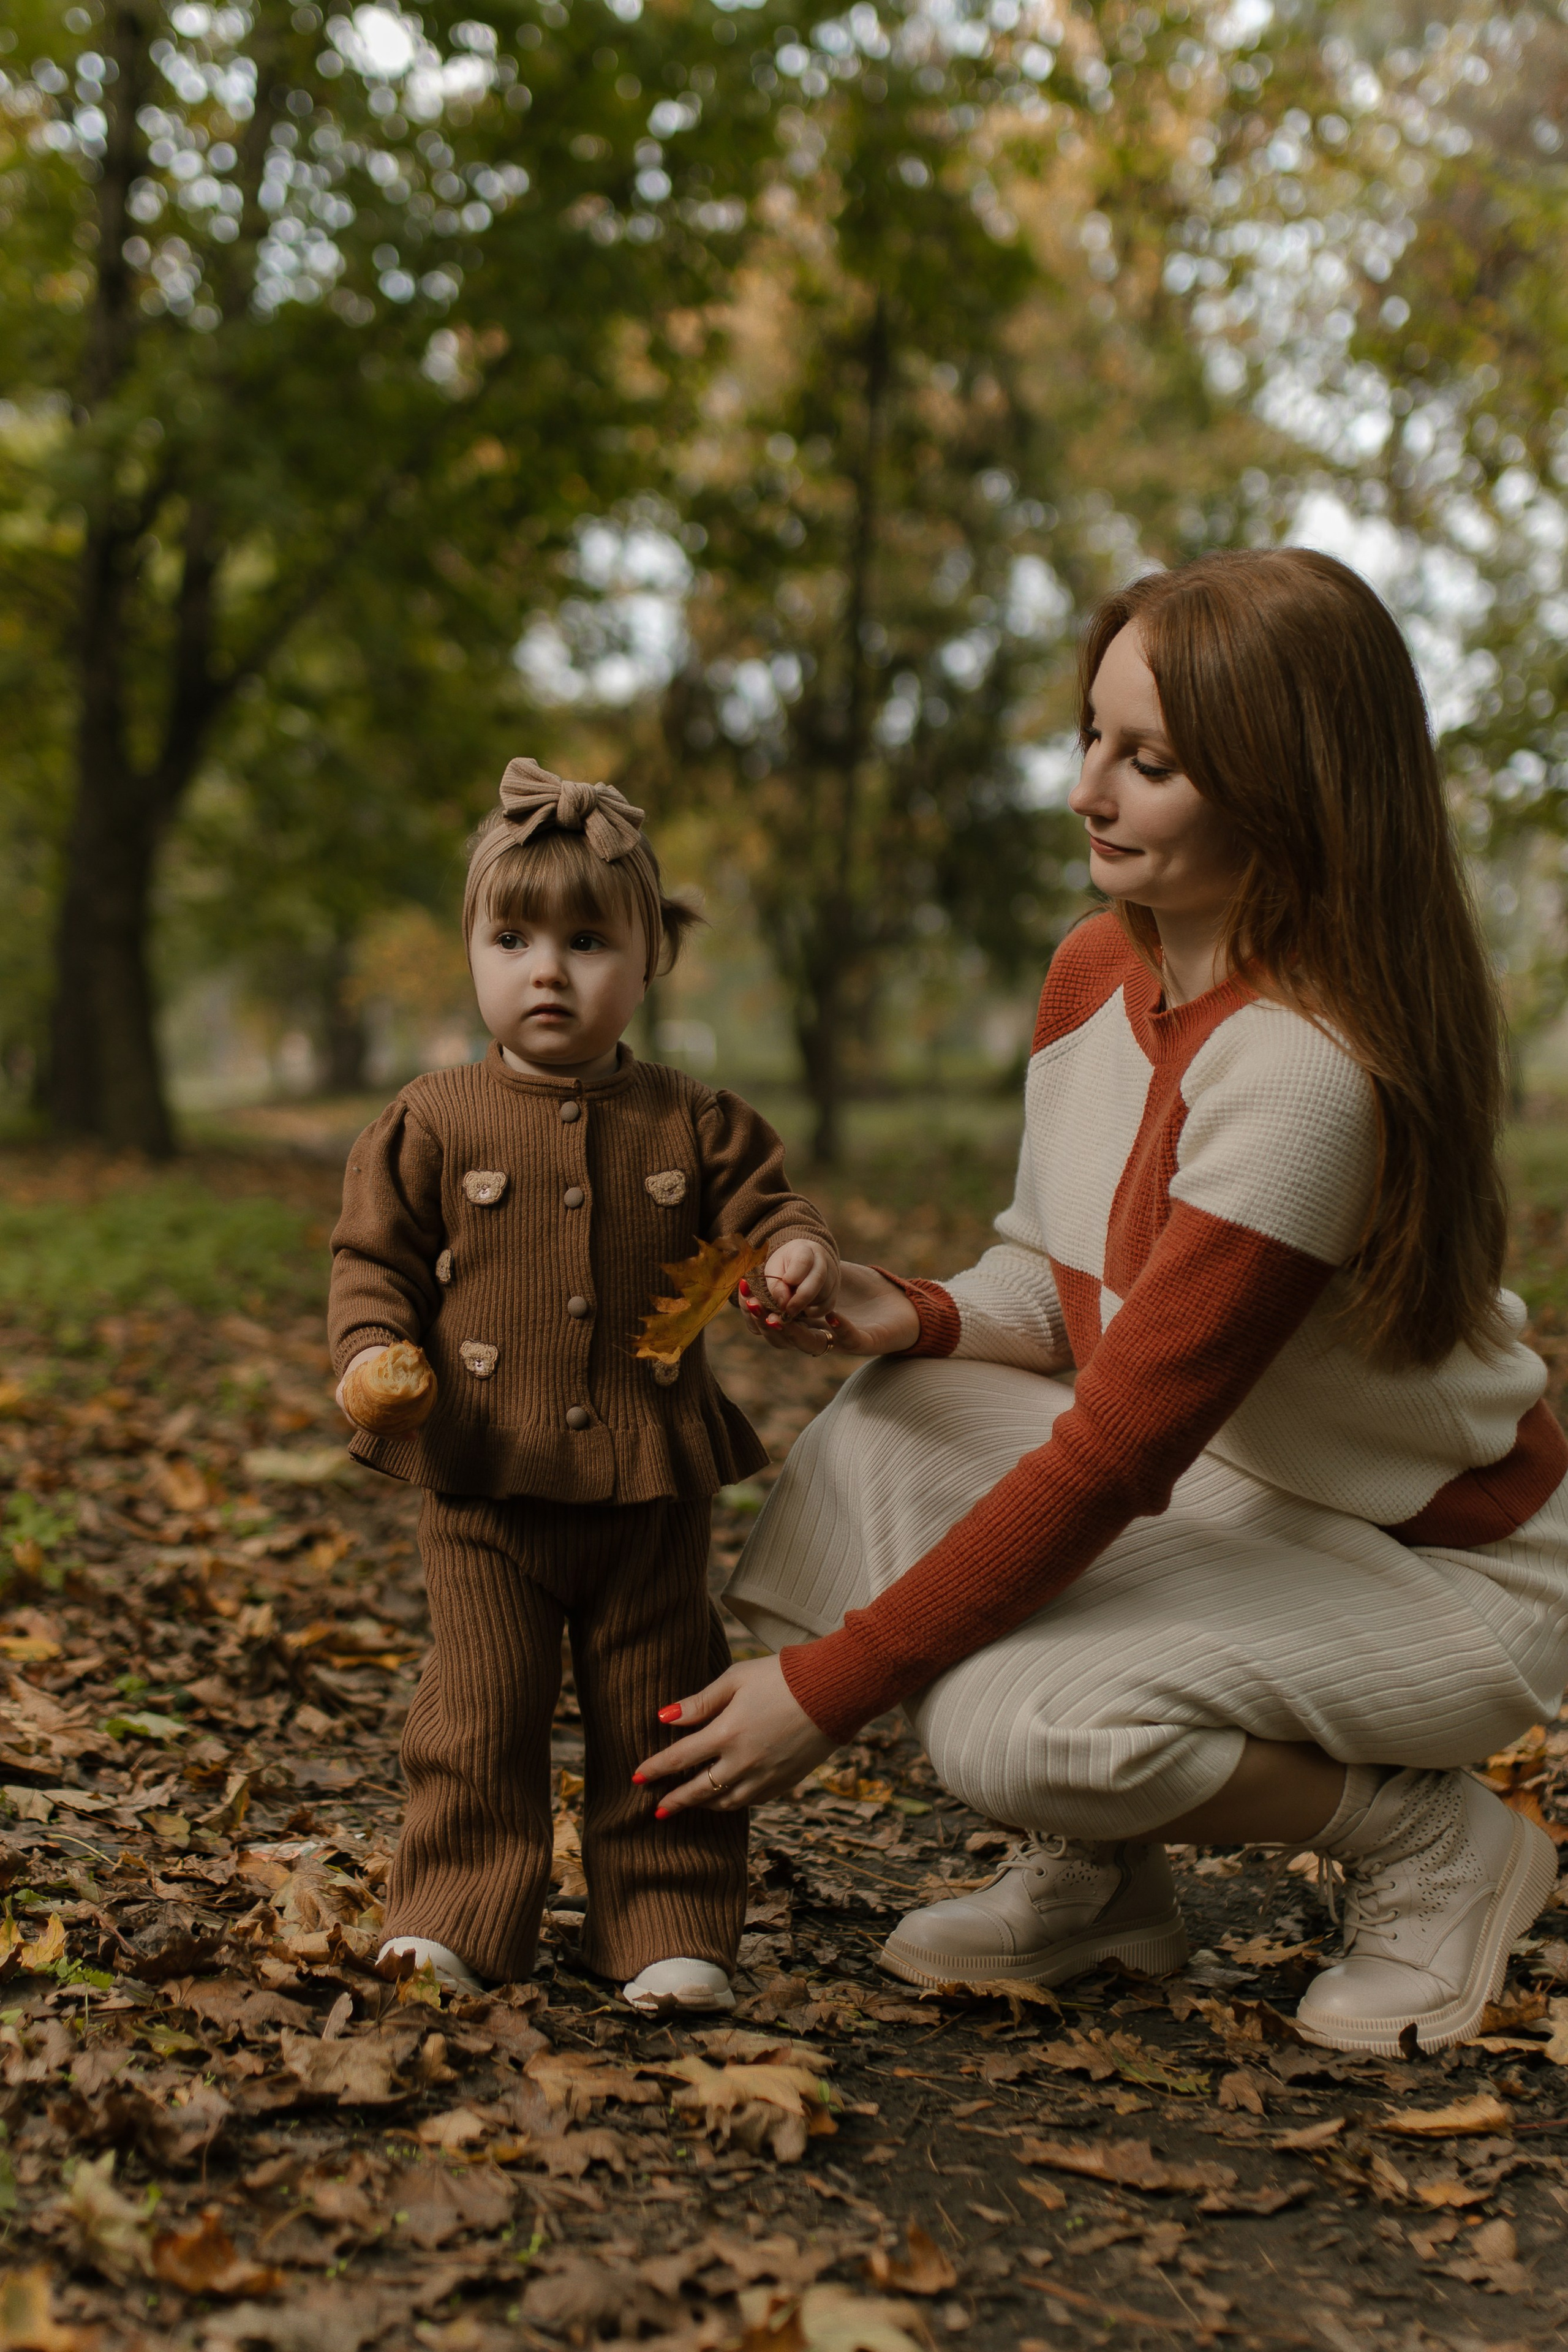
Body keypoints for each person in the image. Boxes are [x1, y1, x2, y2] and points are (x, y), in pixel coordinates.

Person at [634, 549, 1568, 2057]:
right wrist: (914, 1310)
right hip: (1244, 1490)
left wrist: (824, 1687)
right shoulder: (1093, 973)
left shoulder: (1303, 1075)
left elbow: (1115, 1445)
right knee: (875, 1430)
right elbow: (1074, 1290)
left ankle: (1427, 1841)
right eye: (1090, 736)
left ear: (1287, 786)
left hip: (1442, 1573)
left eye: (1148, 762)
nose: (1087, 790)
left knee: (1011, 1723)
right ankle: (1107, 1880)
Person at [329, 759, 837, 2013]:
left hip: (647, 1475)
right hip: (485, 1481)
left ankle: (666, 1922)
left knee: (656, 1711)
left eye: (586, 939)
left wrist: (790, 1252)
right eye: (512, 937)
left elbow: (769, 1208)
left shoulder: (694, 1119)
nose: (545, 969)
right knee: (477, 1711)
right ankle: (454, 1912)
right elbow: (372, 1260)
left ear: (651, 956)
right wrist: (364, 1363)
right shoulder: (434, 1118)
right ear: (472, 952)